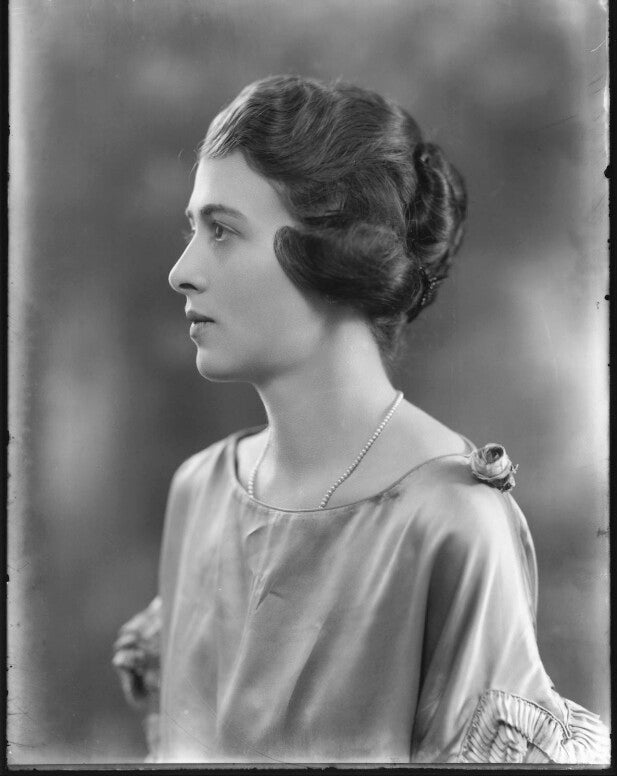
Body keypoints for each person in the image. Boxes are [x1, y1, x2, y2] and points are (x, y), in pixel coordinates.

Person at [112, 75, 609, 764]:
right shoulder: (199, 489)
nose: (181, 271)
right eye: (193, 229)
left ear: (337, 253)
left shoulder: (451, 521)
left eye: (222, 230)